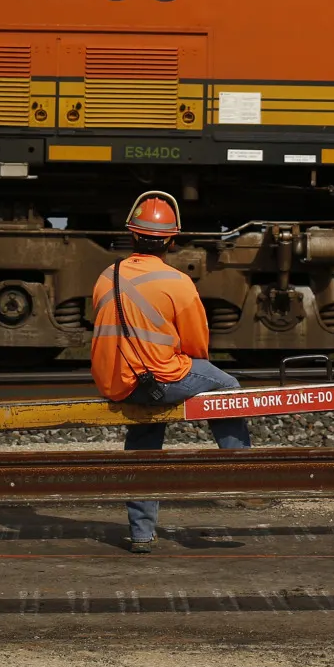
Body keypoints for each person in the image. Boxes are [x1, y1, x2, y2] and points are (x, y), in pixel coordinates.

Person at [89, 190, 251, 553]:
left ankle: (142, 534)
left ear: (132, 235)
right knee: (228, 386)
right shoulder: (178, 282)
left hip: (117, 383)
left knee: (145, 439)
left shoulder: (105, 276)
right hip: (159, 378)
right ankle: (243, 472)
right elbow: (197, 347)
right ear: (171, 240)